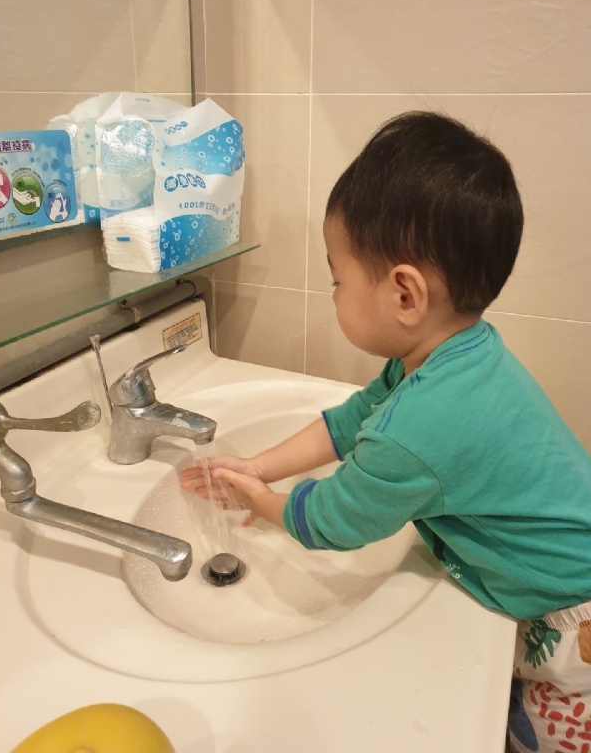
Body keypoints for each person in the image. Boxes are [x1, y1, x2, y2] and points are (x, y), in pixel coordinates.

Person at [181, 111, 591, 753]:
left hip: (572, 621)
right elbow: (352, 422)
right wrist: (260, 468)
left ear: (405, 295)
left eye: (338, 279)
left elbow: (334, 521)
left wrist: (259, 503)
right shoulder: (460, 354)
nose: (333, 293)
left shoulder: (422, 426)